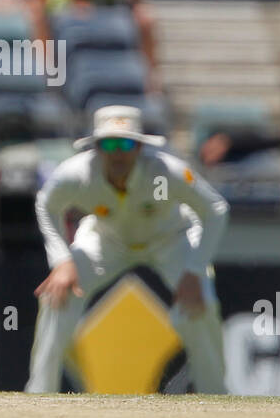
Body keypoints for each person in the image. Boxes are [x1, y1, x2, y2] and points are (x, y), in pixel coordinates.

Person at [27, 105, 229, 393]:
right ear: (96, 148)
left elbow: (216, 209)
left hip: (171, 238)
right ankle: (39, 393)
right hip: (106, 238)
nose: (117, 152)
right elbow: (46, 205)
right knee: (58, 296)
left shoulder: (167, 171)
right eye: (109, 144)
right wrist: (62, 261)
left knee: (201, 304)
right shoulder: (76, 174)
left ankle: (216, 394)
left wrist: (195, 270)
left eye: (126, 143)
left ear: (139, 147)